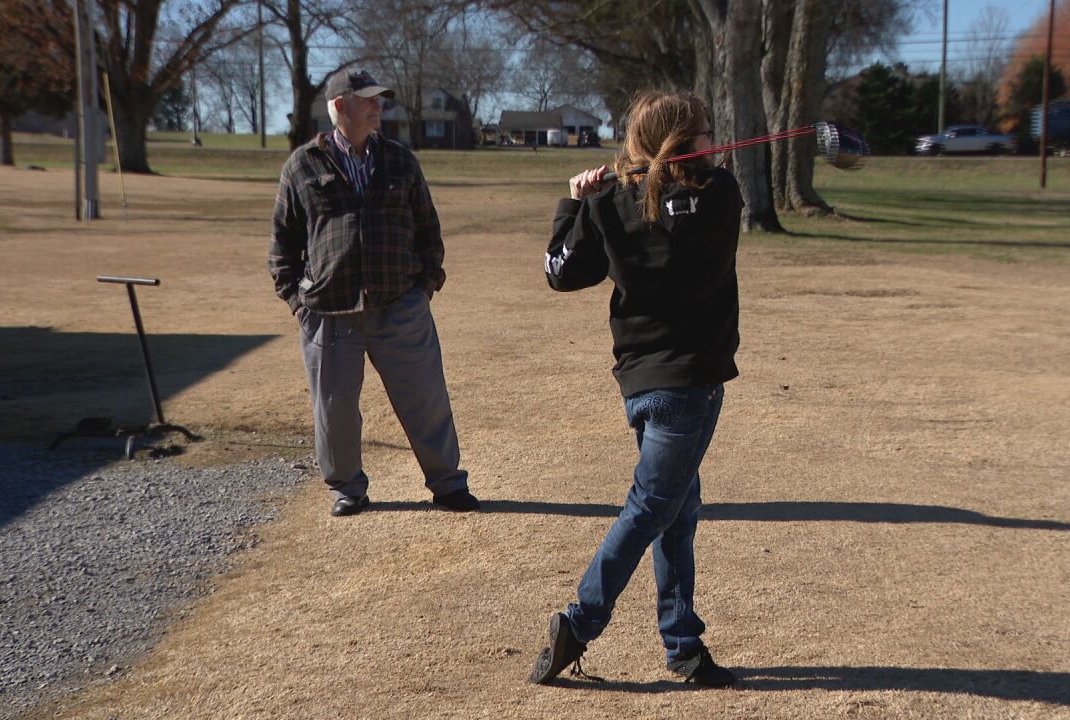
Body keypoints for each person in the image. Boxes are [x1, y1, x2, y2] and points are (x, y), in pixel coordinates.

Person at [529, 91, 742, 688]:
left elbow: (561, 271)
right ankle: (580, 620)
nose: (714, 139)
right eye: (705, 131)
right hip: (687, 388)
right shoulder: (720, 193)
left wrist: (576, 205)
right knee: (653, 505)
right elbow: (567, 277)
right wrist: (592, 204)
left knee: (677, 508)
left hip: (644, 384)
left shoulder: (612, 205)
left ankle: (683, 645)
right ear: (680, 142)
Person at [268, 69, 478, 517]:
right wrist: (297, 303)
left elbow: (428, 232)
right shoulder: (302, 165)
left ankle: (447, 484)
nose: (378, 105)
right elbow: (282, 245)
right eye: (367, 99)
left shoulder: (401, 161)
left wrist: (423, 289)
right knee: (335, 411)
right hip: (329, 312)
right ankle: (348, 489)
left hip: (399, 304)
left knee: (426, 398)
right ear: (340, 106)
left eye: (379, 98)